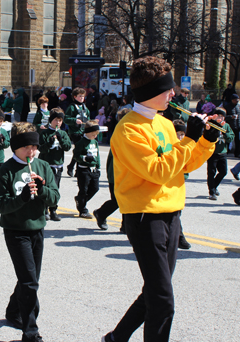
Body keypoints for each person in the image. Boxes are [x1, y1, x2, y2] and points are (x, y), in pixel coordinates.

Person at [102, 56, 218, 342]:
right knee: (163, 300)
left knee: (155, 292)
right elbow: (157, 171)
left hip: (172, 214)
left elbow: (184, 165)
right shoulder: (129, 129)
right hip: (145, 216)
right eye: (168, 90)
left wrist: (206, 141)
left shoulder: (165, 124)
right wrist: (190, 139)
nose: (173, 95)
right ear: (151, 92)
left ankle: (115, 338)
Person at [0, 122, 60, 342]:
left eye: (34, 147)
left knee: (29, 278)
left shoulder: (43, 166)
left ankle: (13, 311)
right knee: (30, 281)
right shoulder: (5, 170)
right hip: (15, 231)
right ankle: (30, 332)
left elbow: (55, 198)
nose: (31, 152)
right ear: (15, 147)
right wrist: (21, 197)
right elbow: (1, 206)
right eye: (26, 147)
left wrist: (42, 191)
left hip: (37, 228)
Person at [93, 110, 128, 231]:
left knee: (126, 200)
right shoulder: (121, 133)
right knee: (118, 200)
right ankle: (101, 213)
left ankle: (125, 225)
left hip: (123, 173)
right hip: (117, 173)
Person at [38, 108, 71, 221]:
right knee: (46, 187)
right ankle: (45, 209)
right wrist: (49, 143)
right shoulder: (45, 133)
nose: (58, 123)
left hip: (58, 165)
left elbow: (67, 147)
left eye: (60, 120)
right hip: (47, 165)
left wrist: (61, 140)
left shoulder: (63, 133)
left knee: (55, 188)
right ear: (51, 120)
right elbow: (41, 149)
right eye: (56, 120)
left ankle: (53, 210)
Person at [73, 120, 100, 219]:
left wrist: (98, 167)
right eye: (93, 134)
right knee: (83, 190)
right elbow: (76, 155)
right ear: (87, 133)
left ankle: (80, 200)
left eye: (96, 134)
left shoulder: (95, 142)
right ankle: (82, 209)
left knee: (95, 188)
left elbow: (98, 156)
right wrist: (84, 158)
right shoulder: (81, 143)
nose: (95, 136)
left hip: (93, 169)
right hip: (83, 170)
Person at [172, 119, 192, 249]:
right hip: (167, 182)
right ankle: (179, 237)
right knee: (174, 212)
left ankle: (175, 235)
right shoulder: (171, 146)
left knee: (177, 211)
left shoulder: (184, 146)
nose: (180, 137)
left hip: (179, 183)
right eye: (178, 133)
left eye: (182, 134)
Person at [207, 108, 235, 200]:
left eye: (222, 116)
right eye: (219, 116)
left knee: (223, 172)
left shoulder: (226, 126)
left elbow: (231, 137)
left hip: (222, 152)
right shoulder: (211, 125)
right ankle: (211, 192)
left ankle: (214, 186)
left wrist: (225, 134)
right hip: (212, 152)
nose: (221, 118)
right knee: (211, 172)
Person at [65, 87, 90, 177]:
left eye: (83, 96)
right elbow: (66, 119)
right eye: (80, 96)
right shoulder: (72, 107)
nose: (82, 98)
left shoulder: (85, 107)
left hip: (84, 131)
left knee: (81, 150)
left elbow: (88, 117)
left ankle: (74, 167)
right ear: (75, 97)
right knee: (79, 149)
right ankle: (73, 167)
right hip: (75, 132)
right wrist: (75, 120)